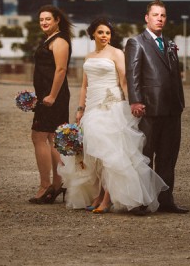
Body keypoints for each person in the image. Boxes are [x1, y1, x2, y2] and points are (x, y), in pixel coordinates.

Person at [60, 18, 168, 214]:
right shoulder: (88, 56)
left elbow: (124, 81)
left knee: (111, 152)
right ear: (93, 34)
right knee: (96, 154)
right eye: (101, 32)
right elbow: (84, 86)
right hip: (92, 107)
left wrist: (132, 103)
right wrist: (80, 108)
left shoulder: (117, 53)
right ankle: (99, 194)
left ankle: (107, 199)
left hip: (112, 105)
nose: (104, 36)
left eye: (108, 33)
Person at [124, 0, 188, 213]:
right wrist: (135, 100)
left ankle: (166, 200)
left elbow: (174, 76)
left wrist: (180, 101)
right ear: (147, 18)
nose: (159, 19)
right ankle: (142, 201)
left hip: (172, 108)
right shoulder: (136, 42)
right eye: (155, 15)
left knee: (168, 156)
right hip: (149, 108)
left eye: (163, 15)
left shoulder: (169, 43)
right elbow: (133, 73)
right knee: (145, 156)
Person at [29, 5, 73, 204]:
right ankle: (57, 184)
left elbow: (61, 69)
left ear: (57, 20)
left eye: (48, 19)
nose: (44, 22)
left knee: (39, 136)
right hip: (45, 96)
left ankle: (45, 185)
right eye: (41, 20)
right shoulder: (49, 39)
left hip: (53, 97)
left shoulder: (60, 40)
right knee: (53, 138)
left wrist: (52, 95)